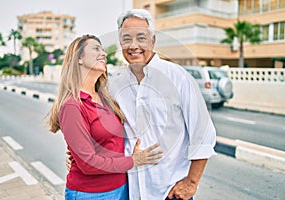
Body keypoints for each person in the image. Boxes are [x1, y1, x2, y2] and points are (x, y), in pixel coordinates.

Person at [67, 9, 216, 200]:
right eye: (126, 38)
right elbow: (101, 128)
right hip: (132, 191)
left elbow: (203, 134)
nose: (133, 45)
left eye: (141, 38)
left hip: (170, 193)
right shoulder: (114, 85)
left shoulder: (178, 78)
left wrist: (191, 183)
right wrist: (80, 152)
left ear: (152, 41)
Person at [48, 34, 162, 200]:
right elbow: (87, 164)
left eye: (102, 49)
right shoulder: (72, 106)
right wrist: (133, 160)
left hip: (121, 188)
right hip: (91, 194)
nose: (104, 53)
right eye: (96, 49)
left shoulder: (105, 96)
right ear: (79, 58)